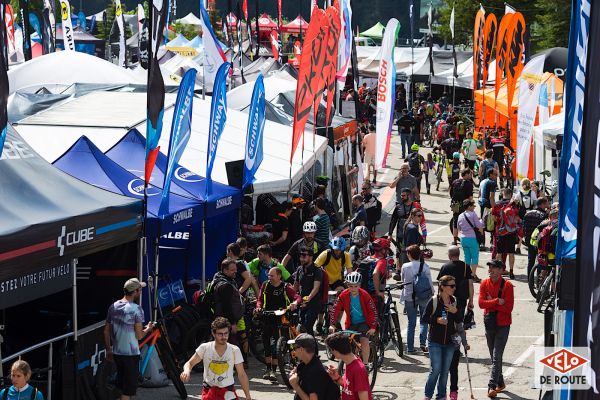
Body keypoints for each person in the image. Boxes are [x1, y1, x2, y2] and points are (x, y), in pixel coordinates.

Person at [104, 278, 153, 400]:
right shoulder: (136, 309)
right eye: (140, 289)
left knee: (121, 388)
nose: (141, 292)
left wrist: (108, 350)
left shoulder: (113, 306)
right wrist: (149, 328)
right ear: (135, 291)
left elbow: (105, 331)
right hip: (130, 355)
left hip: (117, 353)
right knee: (127, 391)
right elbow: (139, 336)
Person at [180, 317, 252, 400]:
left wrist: (248, 396)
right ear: (213, 334)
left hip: (228, 392)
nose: (223, 337)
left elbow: (242, 374)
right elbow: (190, 363)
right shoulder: (205, 348)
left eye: (226, 333)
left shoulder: (234, 350)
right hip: (209, 392)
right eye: (220, 334)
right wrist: (186, 371)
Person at [437, 246, 475, 399]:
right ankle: (457, 345)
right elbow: (471, 284)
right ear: (458, 255)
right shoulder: (466, 266)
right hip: (461, 300)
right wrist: (471, 300)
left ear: (449, 255)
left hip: (447, 300)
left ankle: (451, 344)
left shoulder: (445, 266)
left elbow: (439, 285)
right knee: (458, 324)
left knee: (450, 323)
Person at [256, 267, 301, 380]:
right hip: (267, 316)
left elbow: (297, 297)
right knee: (266, 344)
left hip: (281, 317)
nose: (269, 278)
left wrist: (294, 303)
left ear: (279, 276)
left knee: (277, 345)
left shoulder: (286, 287)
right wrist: (258, 308)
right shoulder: (265, 285)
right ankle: (268, 369)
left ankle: (274, 372)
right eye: (269, 276)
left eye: (272, 275)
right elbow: (260, 299)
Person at [421, 275, 462, 400]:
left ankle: (441, 396)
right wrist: (437, 320)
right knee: (436, 369)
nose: (454, 288)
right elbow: (424, 318)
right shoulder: (434, 301)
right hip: (435, 341)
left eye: (454, 285)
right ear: (443, 287)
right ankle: (428, 395)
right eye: (451, 286)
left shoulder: (454, 301)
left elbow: (459, 321)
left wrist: (455, 311)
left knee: (445, 371)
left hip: (450, 342)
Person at [479, 260, 514, 398]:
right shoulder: (484, 283)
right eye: (490, 268)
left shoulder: (508, 285)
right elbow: (481, 304)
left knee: (496, 356)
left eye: (494, 268)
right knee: (494, 356)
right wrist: (496, 301)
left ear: (501, 270)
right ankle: (501, 384)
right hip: (489, 323)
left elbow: (508, 308)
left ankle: (491, 386)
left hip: (503, 325)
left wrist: (490, 302)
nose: (490, 270)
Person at [329, 272, 378, 366]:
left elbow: (373, 311)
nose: (353, 289)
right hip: (351, 323)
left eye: (356, 286)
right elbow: (335, 309)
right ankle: (354, 362)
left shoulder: (365, 295)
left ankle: (366, 364)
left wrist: (373, 327)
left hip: (364, 322)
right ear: (347, 285)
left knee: (364, 340)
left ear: (359, 285)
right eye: (351, 286)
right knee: (350, 344)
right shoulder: (343, 295)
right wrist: (332, 324)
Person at [400, 245, 434, 354]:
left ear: (409, 255)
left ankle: (410, 348)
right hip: (424, 296)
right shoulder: (425, 267)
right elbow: (430, 282)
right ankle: (423, 343)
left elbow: (402, 279)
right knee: (424, 321)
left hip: (409, 297)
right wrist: (433, 294)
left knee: (411, 322)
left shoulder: (405, 266)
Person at [288, 334, 341, 400]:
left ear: (301, 349)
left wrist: (296, 386)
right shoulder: (307, 363)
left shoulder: (315, 372)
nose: (293, 351)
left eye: (294, 347)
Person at [325, 331, 373, 400]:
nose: (331, 352)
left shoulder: (358, 369)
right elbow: (349, 388)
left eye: (330, 350)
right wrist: (337, 378)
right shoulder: (349, 362)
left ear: (335, 350)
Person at [388, 188, 427, 266]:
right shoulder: (398, 206)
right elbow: (393, 221)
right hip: (400, 234)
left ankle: (413, 266)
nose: (401, 197)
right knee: (399, 252)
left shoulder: (416, 206)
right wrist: (390, 233)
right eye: (401, 195)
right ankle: (398, 270)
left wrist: (424, 235)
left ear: (409, 196)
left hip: (413, 235)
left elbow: (422, 221)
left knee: (413, 252)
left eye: (403, 196)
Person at [213, 259, 246, 345]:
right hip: (226, 321)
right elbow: (227, 306)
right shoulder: (225, 285)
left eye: (235, 269)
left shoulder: (219, 277)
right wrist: (232, 323)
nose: (235, 272)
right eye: (232, 270)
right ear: (225, 270)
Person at [293, 246, 324, 335]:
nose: (301, 258)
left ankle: (313, 348)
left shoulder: (317, 270)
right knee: (300, 325)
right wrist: (292, 299)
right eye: (300, 255)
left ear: (311, 257)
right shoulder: (299, 269)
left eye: (304, 255)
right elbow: (295, 286)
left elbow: (316, 288)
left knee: (308, 325)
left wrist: (308, 299)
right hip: (301, 302)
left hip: (314, 302)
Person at [493, 190, 522, 279]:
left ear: (503, 194)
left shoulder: (497, 204)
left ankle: (496, 271)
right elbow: (517, 218)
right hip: (511, 232)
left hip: (500, 231)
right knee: (511, 253)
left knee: (499, 252)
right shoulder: (514, 205)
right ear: (511, 195)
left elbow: (494, 218)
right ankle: (511, 272)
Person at [523, 198, 549, 277]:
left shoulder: (527, 213)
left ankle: (529, 277)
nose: (548, 205)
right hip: (539, 241)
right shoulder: (544, 215)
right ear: (542, 204)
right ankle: (538, 278)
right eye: (546, 203)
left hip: (530, 240)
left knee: (530, 260)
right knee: (540, 260)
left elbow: (524, 227)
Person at [449, 169, 474, 246]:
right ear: (466, 174)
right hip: (464, 205)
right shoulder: (469, 184)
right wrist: (472, 204)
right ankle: (465, 239)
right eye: (470, 174)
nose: (470, 176)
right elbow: (470, 197)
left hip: (455, 205)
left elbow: (450, 192)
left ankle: (455, 241)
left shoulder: (455, 182)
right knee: (466, 222)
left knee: (455, 222)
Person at [514, 178, 537, 254]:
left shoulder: (518, 193)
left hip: (521, 214)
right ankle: (530, 245)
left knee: (521, 230)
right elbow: (535, 204)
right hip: (531, 213)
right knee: (531, 229)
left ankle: (518, 247)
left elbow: (515, 204)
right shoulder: (533, 193)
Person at [479, 169, 499, 249]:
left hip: (482, 203)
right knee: (492, 223)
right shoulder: (492, 183)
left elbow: (479, 193)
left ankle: (482, 243)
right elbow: (491, 197)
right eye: (495, 174)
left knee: (482, 223)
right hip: (488, 205)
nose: (496, 176)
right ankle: (492, 244)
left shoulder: (482, 181)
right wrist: (494, 208)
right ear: (490, 174)